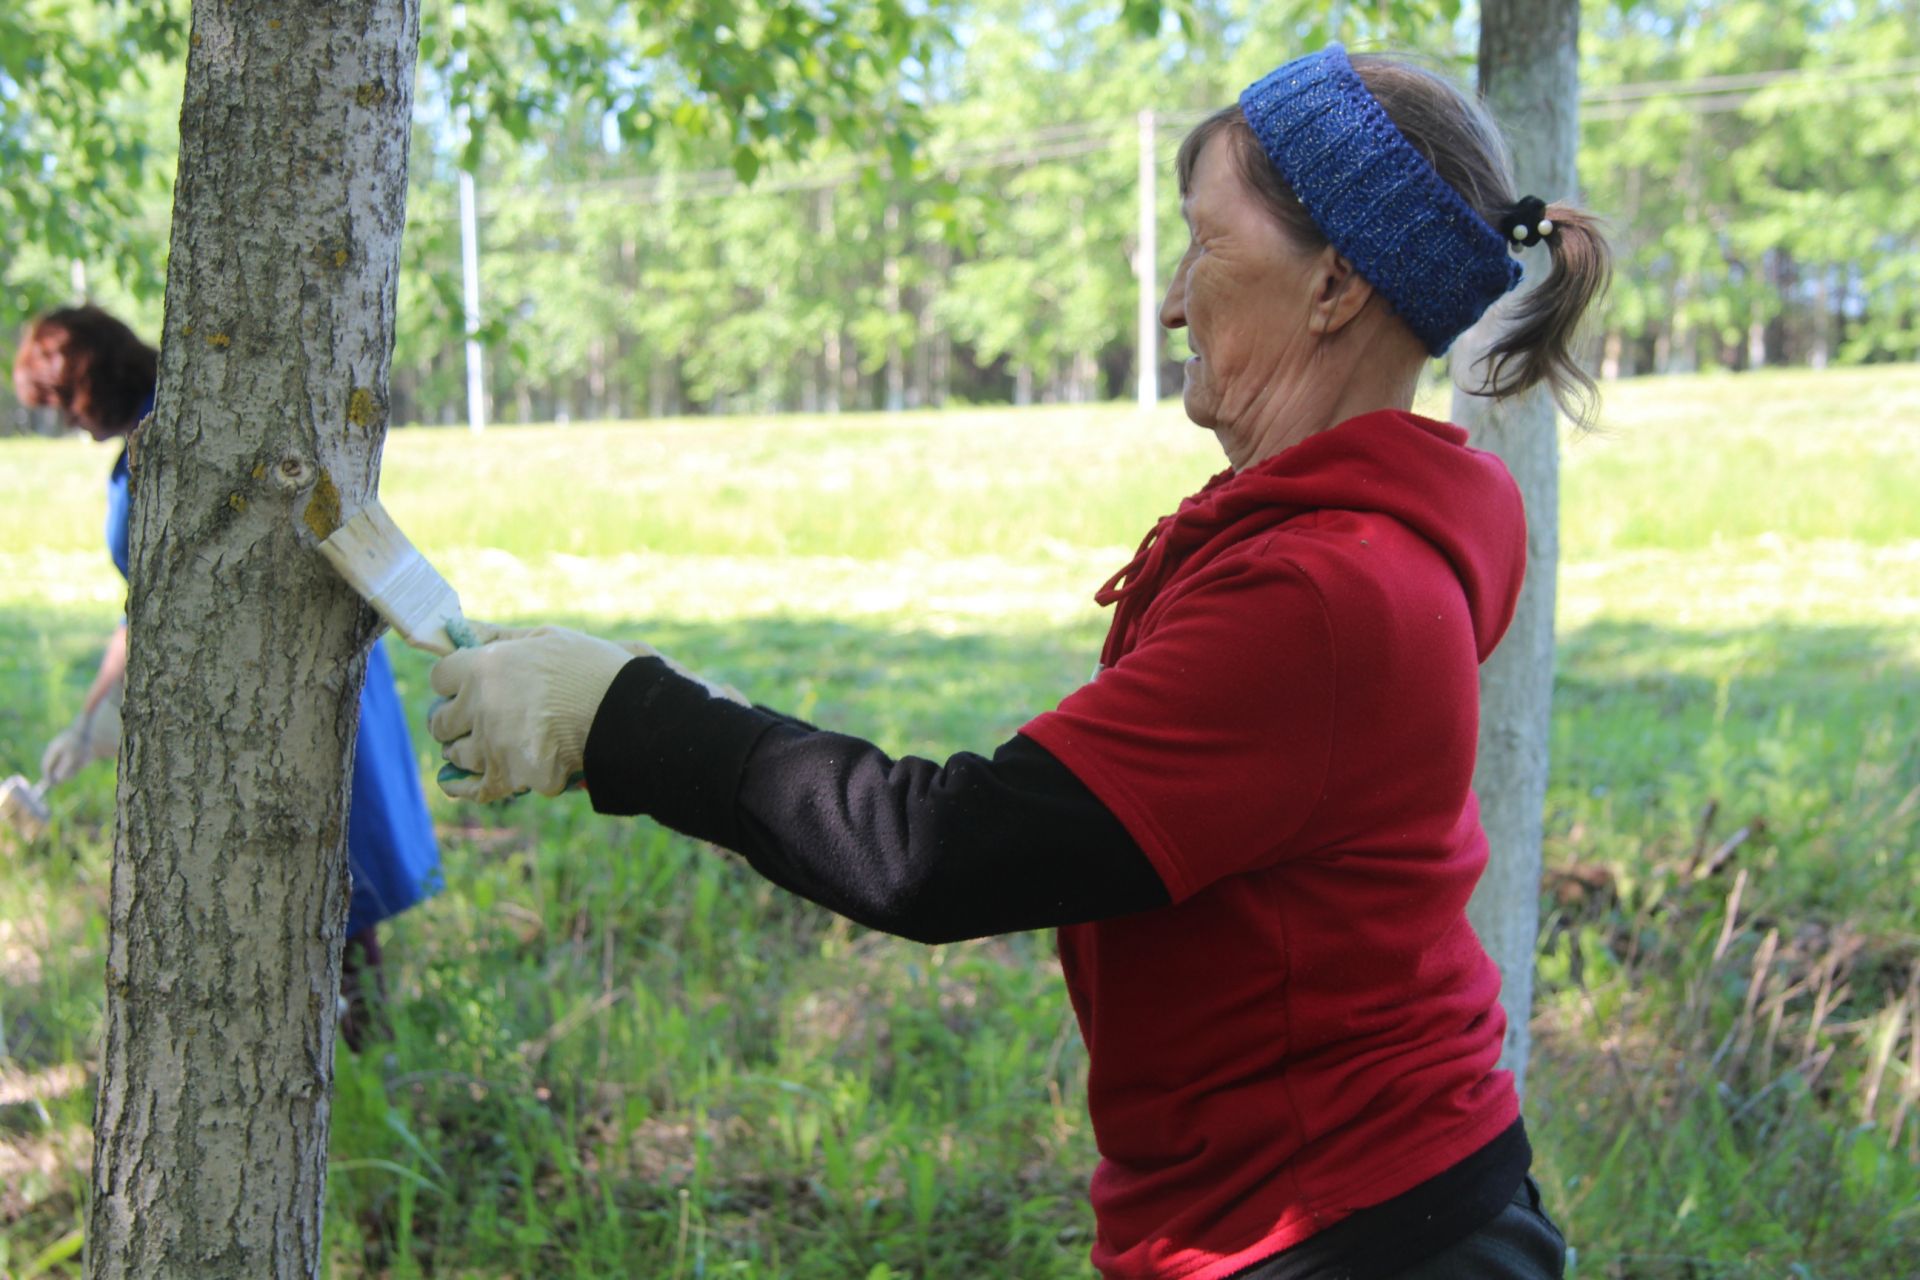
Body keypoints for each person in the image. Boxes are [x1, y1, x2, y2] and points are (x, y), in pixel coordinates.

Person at [425, 44, 1609, 1279]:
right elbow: (1077, 801)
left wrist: (621, 719)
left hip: (1344, 1234)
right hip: (1329, 1207)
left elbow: (942, 853)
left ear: (1335, 286)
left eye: (1204, 245)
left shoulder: (1324, 592)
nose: (1167, 304)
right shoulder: (1338, 549)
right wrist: (703, 712)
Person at [12, 304, 444, 1052]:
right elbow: (144, 605)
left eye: (64, 407)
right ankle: (346, 1054)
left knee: (338, 870)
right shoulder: (140, 443)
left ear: (89, 384)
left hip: (291, 674)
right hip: (232, 686)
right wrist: (88, 721)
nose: (68, 427)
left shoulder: (182, 429)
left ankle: (372, 1062)